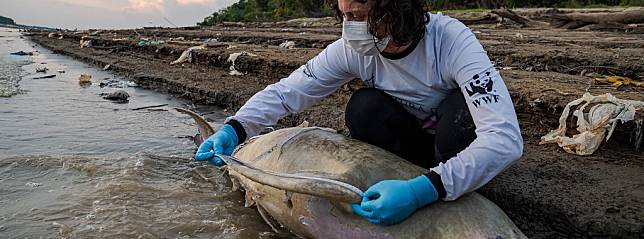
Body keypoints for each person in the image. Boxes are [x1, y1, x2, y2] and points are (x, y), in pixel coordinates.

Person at [195, 0, 523, 226]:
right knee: (364, 108)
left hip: (451, 145)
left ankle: (448, 184)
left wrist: (424, 190)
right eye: (345, 16)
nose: (352, 27)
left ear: (397, 9)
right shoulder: (353, 50)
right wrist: (236, 128)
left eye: (361, 14)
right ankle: (402, 186)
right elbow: (289, 92)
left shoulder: (451, 41)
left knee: (462, 114)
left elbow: (504, 139)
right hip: (410, 146)